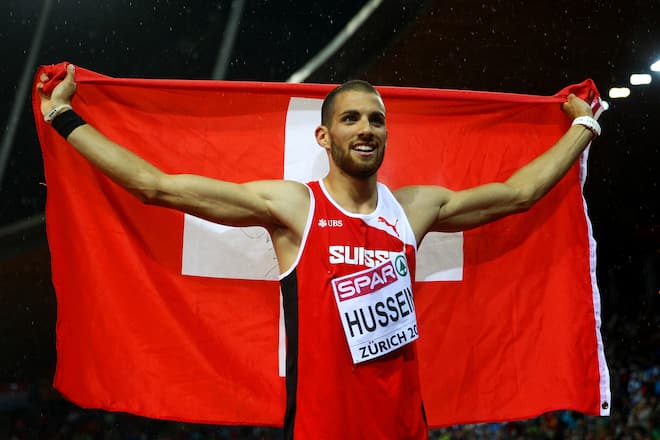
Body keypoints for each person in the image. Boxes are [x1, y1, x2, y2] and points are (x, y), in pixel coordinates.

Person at [36, 63, 600, 440]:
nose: (366, 128)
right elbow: (156, 186)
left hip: (406, 429)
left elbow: (520, 194)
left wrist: (582, 126)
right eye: (350, 118)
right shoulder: (294, 208)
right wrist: (63, 117)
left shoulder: (414, 210)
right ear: (324, 137)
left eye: (376, 119)